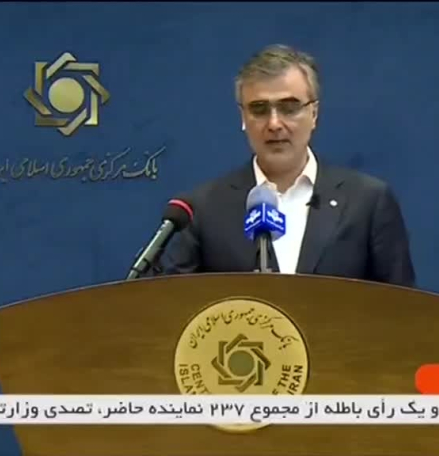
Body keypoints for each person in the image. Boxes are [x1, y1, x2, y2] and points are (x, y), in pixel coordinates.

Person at [160, 44, 415, 287]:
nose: (274, 124)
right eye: (259, 109)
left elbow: (401, 307)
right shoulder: (204, 209)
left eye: (289, 108)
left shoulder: (367, 202)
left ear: (314, 113)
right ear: (243, 117)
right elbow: (175, 305)